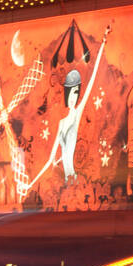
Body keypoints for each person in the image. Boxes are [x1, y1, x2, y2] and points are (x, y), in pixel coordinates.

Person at [21, 25, 110, 199]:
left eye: (76, 92)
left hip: (73, 182)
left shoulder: (77, 114)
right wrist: (31, 183)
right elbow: (50, 160)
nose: (73, 96)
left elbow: (91, 81)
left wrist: (104, 41)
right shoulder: (62, 123)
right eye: (71, 92)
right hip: (69, 184)